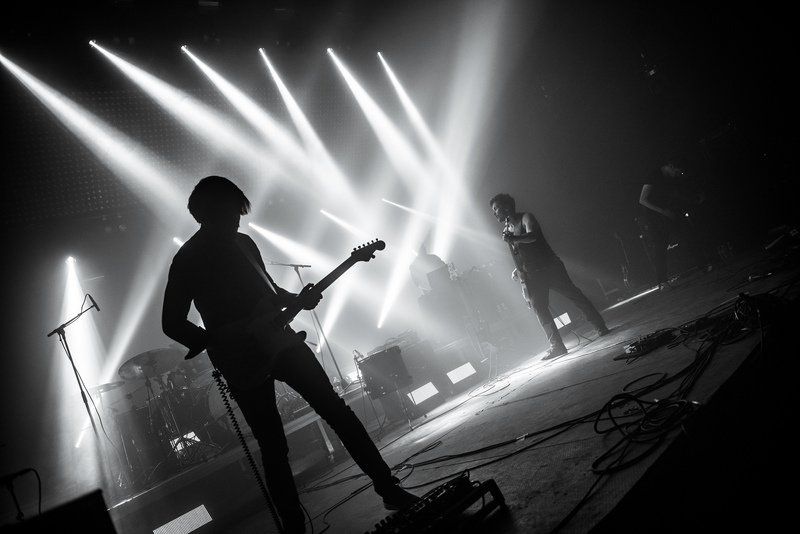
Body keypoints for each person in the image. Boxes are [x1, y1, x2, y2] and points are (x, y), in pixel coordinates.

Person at [162, 176, 417, 533]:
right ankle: (295, 528)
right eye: (231, 211)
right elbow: (171, 322)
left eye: (239, 210)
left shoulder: (244, 243)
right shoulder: (188, 258)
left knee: (336, 411)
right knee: (273, 446)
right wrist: (218, 339)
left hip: (281, 341)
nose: (238, 217)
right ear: (209, 212)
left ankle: (388, 487)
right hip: (241, 360)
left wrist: (297, 298)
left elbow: (267, 289)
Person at [489, 193, 609, 359]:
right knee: (539, 308)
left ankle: (600, 326)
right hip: (532, 275)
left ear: (507, 207)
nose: (494, 213)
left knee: (574, 295)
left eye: (496, 209)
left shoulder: (526, 217)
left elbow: (534, 237)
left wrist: (514, 238)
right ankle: (557, 346)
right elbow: (519, 252)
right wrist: (518, 270)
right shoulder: (506, 230)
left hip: (550, 267)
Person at [639, 160, 711, 288]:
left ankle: (703, 265)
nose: (678, 174)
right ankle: (662, 281)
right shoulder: (654, 175)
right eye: (677, 171)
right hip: (654, 218)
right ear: (670, 166)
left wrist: (692, 200)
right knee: (660, 248)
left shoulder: (670, 179)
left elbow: (675, 195)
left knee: (688, 236)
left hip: (668, 215)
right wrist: (662, 211)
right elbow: (642, 200)